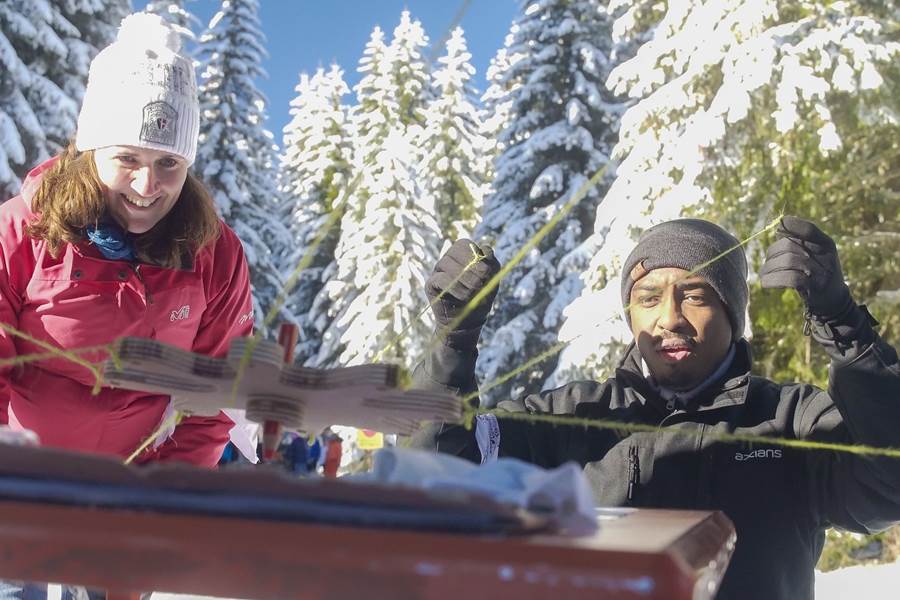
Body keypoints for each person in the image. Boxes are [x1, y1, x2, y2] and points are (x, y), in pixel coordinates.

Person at [411, 217, 900, 600]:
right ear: (630, 316)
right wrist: (453, 342)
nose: (670, 317)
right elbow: (437, 482)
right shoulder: (567, 420)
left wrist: (846, 328)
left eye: (695, 294)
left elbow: (887, 486)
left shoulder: (791, 419)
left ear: (732, 313)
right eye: (648, 298)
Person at [0, 12, 253, 468]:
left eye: (169, 164)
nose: (146, 184)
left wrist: (161, 499)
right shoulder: (22, 232)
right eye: (127, 158)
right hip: (26, 475)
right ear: (91, 151)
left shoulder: (215, 255)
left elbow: (213, 396)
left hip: (137, 484)